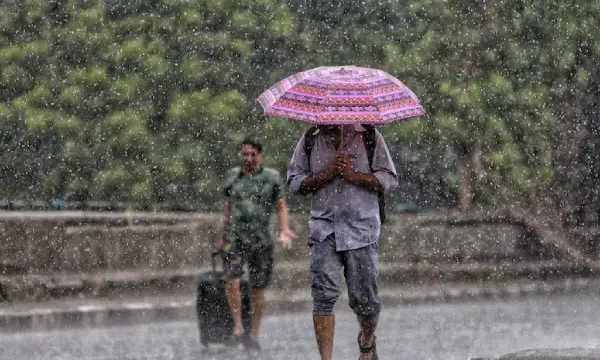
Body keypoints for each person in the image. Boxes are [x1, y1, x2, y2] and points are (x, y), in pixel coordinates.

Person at [287, 124, 398, 360]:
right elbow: (295, 182)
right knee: (323, 296)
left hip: (362, 230)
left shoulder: (369, 136)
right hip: (324, 230)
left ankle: (367, 341)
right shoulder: (309, 138)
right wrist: (324, 176)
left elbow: (388, 178)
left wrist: (353, 176)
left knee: (366, 302)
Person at [218, 137, 297, 350]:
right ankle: (237, 328)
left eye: (253, 155)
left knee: (258, 288)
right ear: (239, 154)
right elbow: (228, 206)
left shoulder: (271, 177)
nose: (249, 159)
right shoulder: (232, 177)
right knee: (232, 280)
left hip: (261, 241)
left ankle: (253, 332)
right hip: (236, 239)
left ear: (260, 155)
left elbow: (281, 206)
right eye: (245, 154)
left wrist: (284, 230)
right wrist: (223, 237)